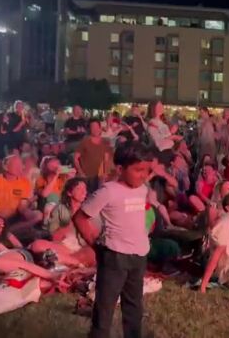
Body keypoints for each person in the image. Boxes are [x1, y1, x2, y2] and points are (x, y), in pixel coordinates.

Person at [73, 142, 154, 338]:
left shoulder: (142, 188)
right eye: (138, 170)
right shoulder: (108, 191)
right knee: (105, 305)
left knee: (134, 304)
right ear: (120, 169)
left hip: (138, 255)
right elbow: (80, 217)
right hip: (115, 256)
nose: (143, 175)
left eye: (146, 170)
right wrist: (94, 242)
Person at [31, 177, 95, 267]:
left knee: (91, 253)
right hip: (65, 245)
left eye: (85, 189)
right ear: (69, 193)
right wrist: (70, 225)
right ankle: (70, 262)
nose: (84, 192)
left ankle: (62, 262)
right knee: (37, 245)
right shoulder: (60, 209)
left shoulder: (90, 209)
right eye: (79, 189)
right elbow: (54, 237)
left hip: (84, 247)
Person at [0, 155, 42, 236]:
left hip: (15, 217)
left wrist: (27, 213)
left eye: (20, 165)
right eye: (16, 165)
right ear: (6, 167)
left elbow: (22, 206)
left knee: (38, 215)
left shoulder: (24, 183)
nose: (20, 167)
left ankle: (7, 231)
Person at [73, 119, 112, 192]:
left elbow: (106, 159)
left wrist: (105, 174)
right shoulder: (85, 142)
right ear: (90, 129)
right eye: (93, 127)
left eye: (97, 127)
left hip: (100, 178)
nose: (95, 129)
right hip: (87, 177)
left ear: (100, 128)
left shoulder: (106, 142)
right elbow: (75, 158)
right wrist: (81, 173)